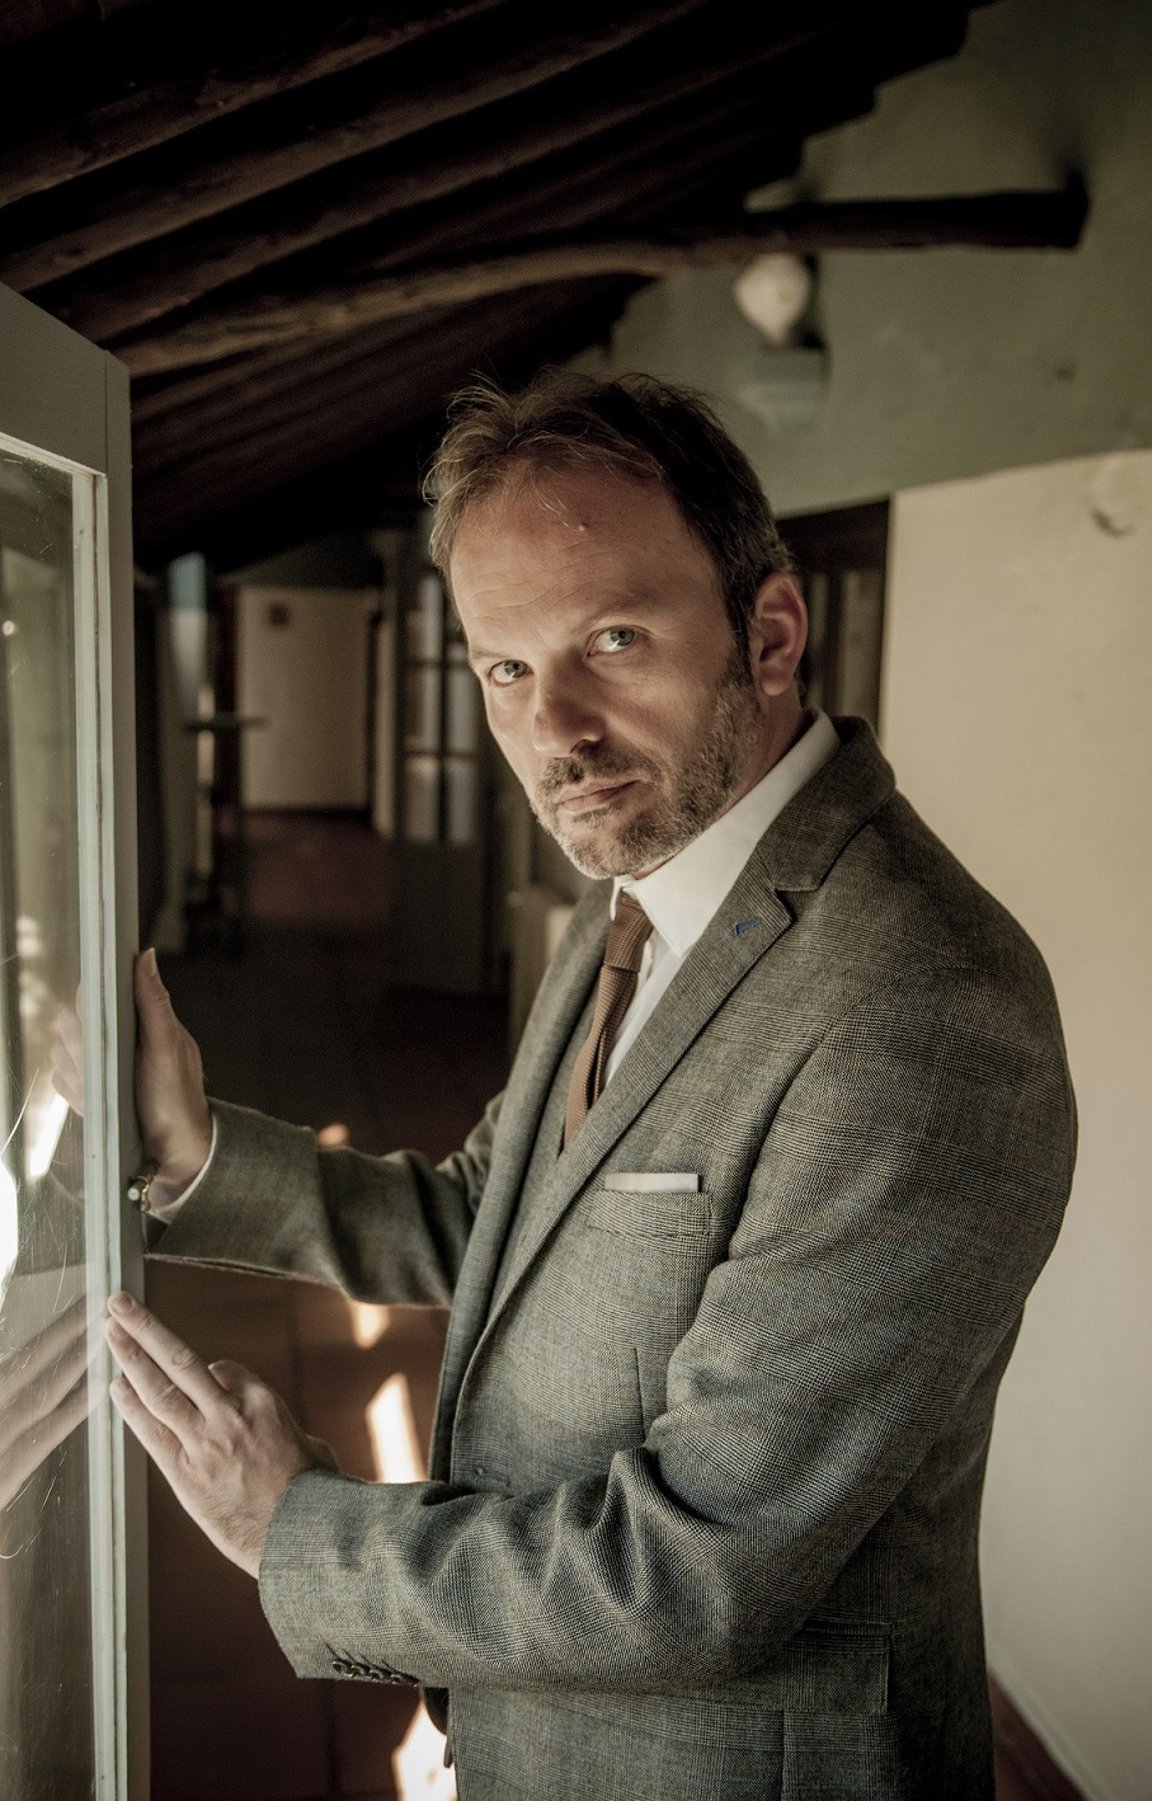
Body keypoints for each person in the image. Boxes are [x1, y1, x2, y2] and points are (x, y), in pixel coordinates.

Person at [92, 372, 1076, 1800]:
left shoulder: (922, 1008)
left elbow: (699, 1568)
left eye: (612, 639)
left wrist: (295, 1530)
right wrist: (192, 1154)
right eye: (503, 668)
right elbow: (498, 1215)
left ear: (771, 632)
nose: (555, 726)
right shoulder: (642, 883)